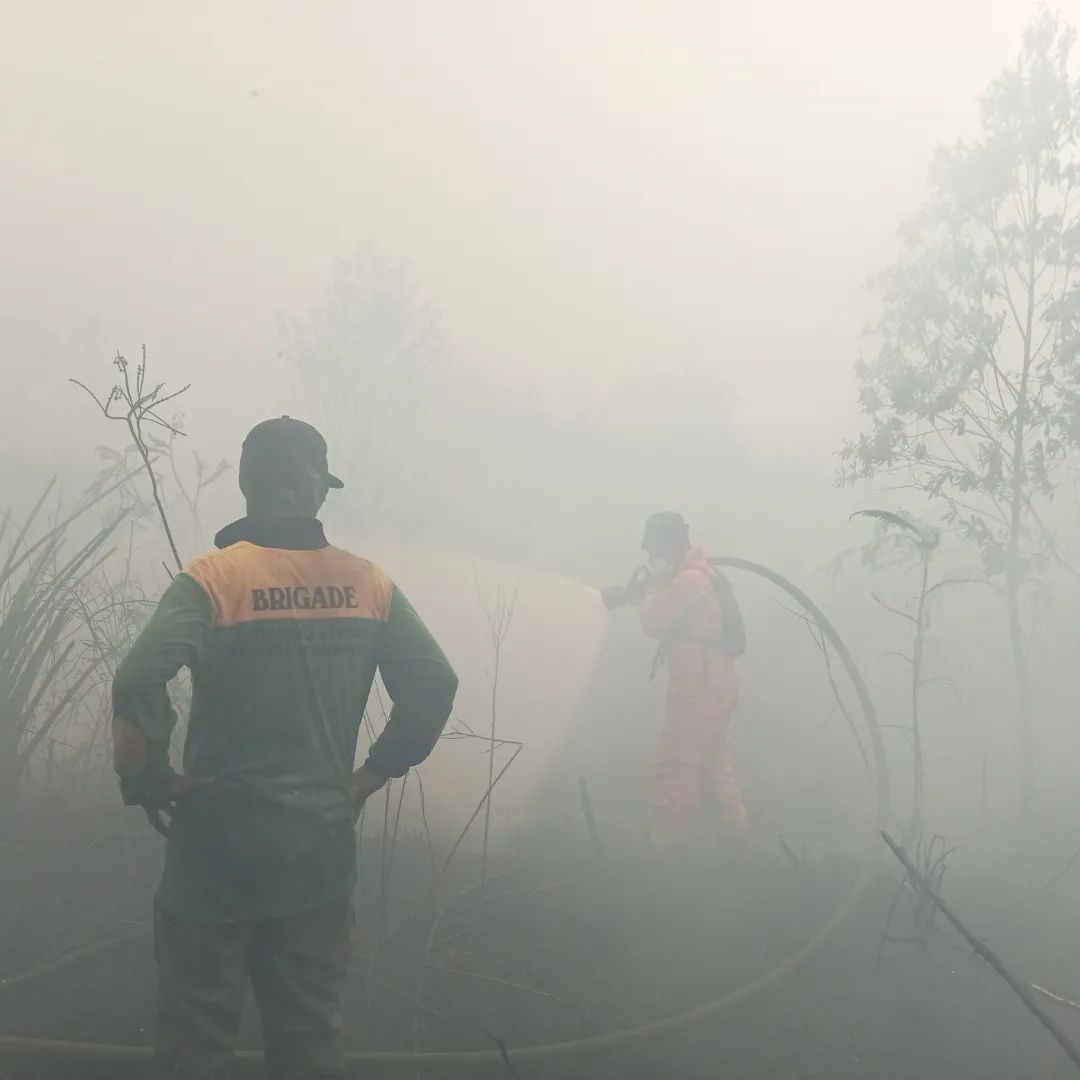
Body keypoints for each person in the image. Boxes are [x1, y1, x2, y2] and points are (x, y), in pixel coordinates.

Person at [111, 416, 458, 1080]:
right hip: (317, 853)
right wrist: (369, 777)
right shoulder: (368, 585)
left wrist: (150, 776)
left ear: (248, 485)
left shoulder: (213, 580)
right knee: (308, 1035)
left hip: (213, 853)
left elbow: (135, 678)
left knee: (196, 1034)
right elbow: (434, 683)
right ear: (314, 491)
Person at [602, 512, 746, 851]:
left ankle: (668, 847)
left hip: (699, 685)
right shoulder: (699, 575)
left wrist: (654, 588)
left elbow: (653, 622)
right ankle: (734, 840)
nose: (650, 555)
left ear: (667, 542)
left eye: (652, 547)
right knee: (714, 765)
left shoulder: (689, 581)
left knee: (676, 764)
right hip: (715, 682)